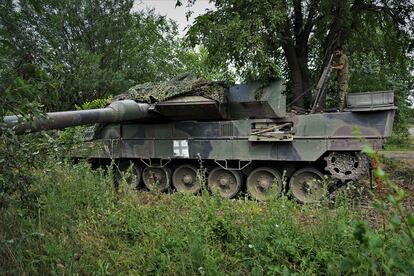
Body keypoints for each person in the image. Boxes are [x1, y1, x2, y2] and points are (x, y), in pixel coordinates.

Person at [331, 46, 349, 111]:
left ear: (341, 51)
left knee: (341, 92)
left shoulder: (342, 57)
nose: (336, 54)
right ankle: (345, 107)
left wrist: (333, 67)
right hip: (343, 77)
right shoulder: (343, 57)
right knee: (344, 92)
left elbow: (341, 67)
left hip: (343, 78)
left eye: (337, 52)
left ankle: (341, 108)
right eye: (335, 52)